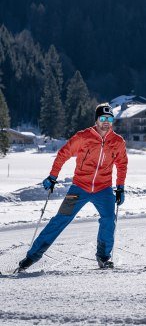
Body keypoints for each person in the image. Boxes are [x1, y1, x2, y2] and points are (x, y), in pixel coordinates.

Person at [17, 103, 128, 271]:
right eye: (103, 118)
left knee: (108, 220)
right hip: (79, 187)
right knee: (60, 219)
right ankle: (32, 256)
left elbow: (122, 164)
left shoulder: (118, 142)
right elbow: (63, 154)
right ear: (96, 120)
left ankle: (104, 257)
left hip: (103, 189)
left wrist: (120, 187)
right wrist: (53, 176)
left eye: (110, 119)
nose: (106, 122)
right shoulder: (83, 137)